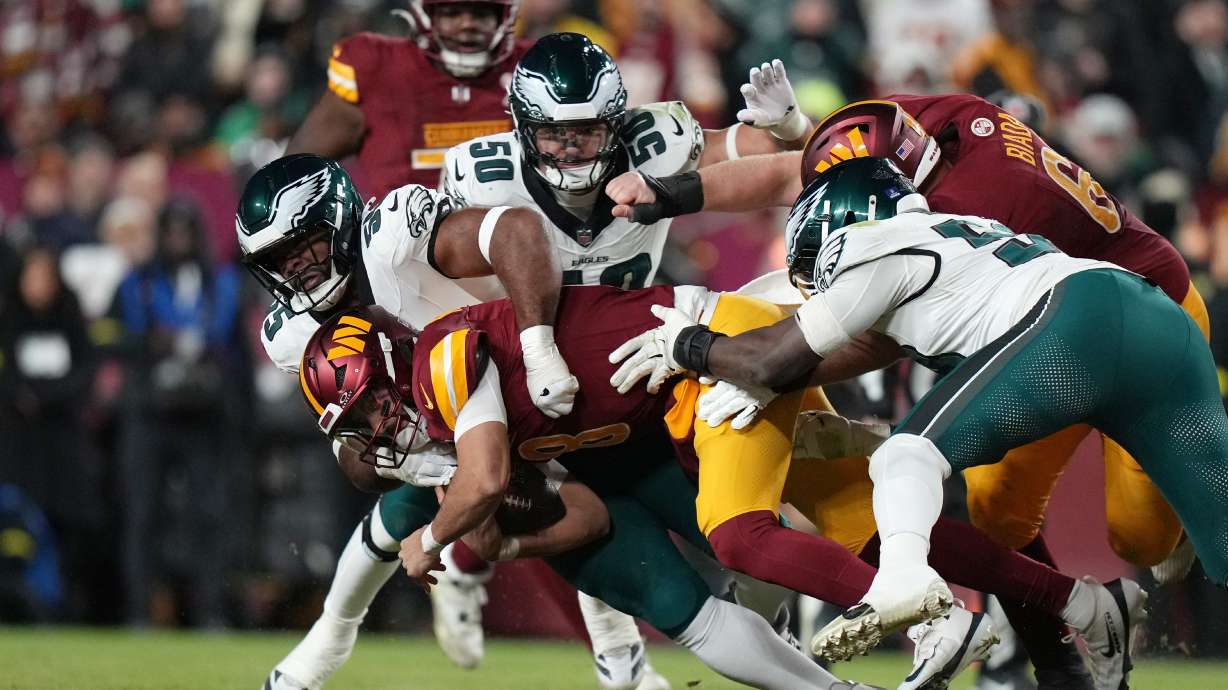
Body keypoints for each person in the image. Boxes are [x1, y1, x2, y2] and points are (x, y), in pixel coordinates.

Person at [606, 93, 1205, 687]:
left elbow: (887, 336)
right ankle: (1062, 659)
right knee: (995, 511)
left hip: (1138, 315)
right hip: (1047, 331)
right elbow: (804, 169)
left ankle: (923, 598)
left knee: (1140, 535)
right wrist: (672, 197)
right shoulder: (918, 127)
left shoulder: (968, 205)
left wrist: (757, 365)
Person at [279, 3, 669, 683]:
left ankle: (608, 650)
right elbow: (299, 179)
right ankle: (402, 593)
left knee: (550, 475)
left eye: (482, 8)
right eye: (452, 8)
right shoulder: (373, 66)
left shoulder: (544, 75)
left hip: (507, 295)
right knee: (382, 467)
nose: (465, 24)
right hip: (396, 311)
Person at [300, 305, 888, 690]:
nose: (378, 427)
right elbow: (585, 517)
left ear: (392, 364)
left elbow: (483, 480)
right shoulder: (419, 447)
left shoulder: (444, 359)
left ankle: (906, 595)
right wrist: (499, 542)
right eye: (360, 421)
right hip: (589, 459)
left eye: (375, 404)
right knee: (691, 616)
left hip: (644, 429)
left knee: (754, 544)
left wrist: (432, 540)